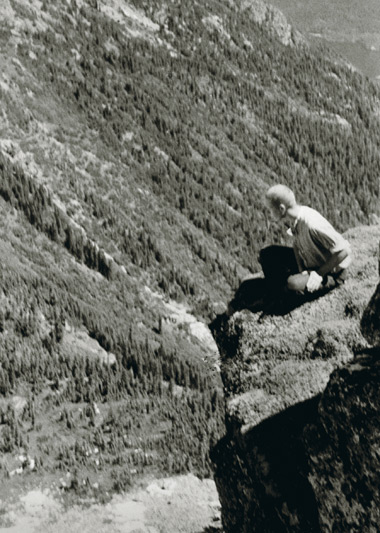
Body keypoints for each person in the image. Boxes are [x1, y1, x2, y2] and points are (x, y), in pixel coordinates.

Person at [259, 184, 351, 305]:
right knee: (267, 254)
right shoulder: (295, 218)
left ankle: (283, 296)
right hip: (311, 261)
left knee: (293, 284)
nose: (269, 213)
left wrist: (319, 274)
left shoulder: (312, 224)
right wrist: (302, 269)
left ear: (281, 209)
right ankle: (278, 291)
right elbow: (297, 245)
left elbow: (344, 251)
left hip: (331, 272)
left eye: (270, 209)